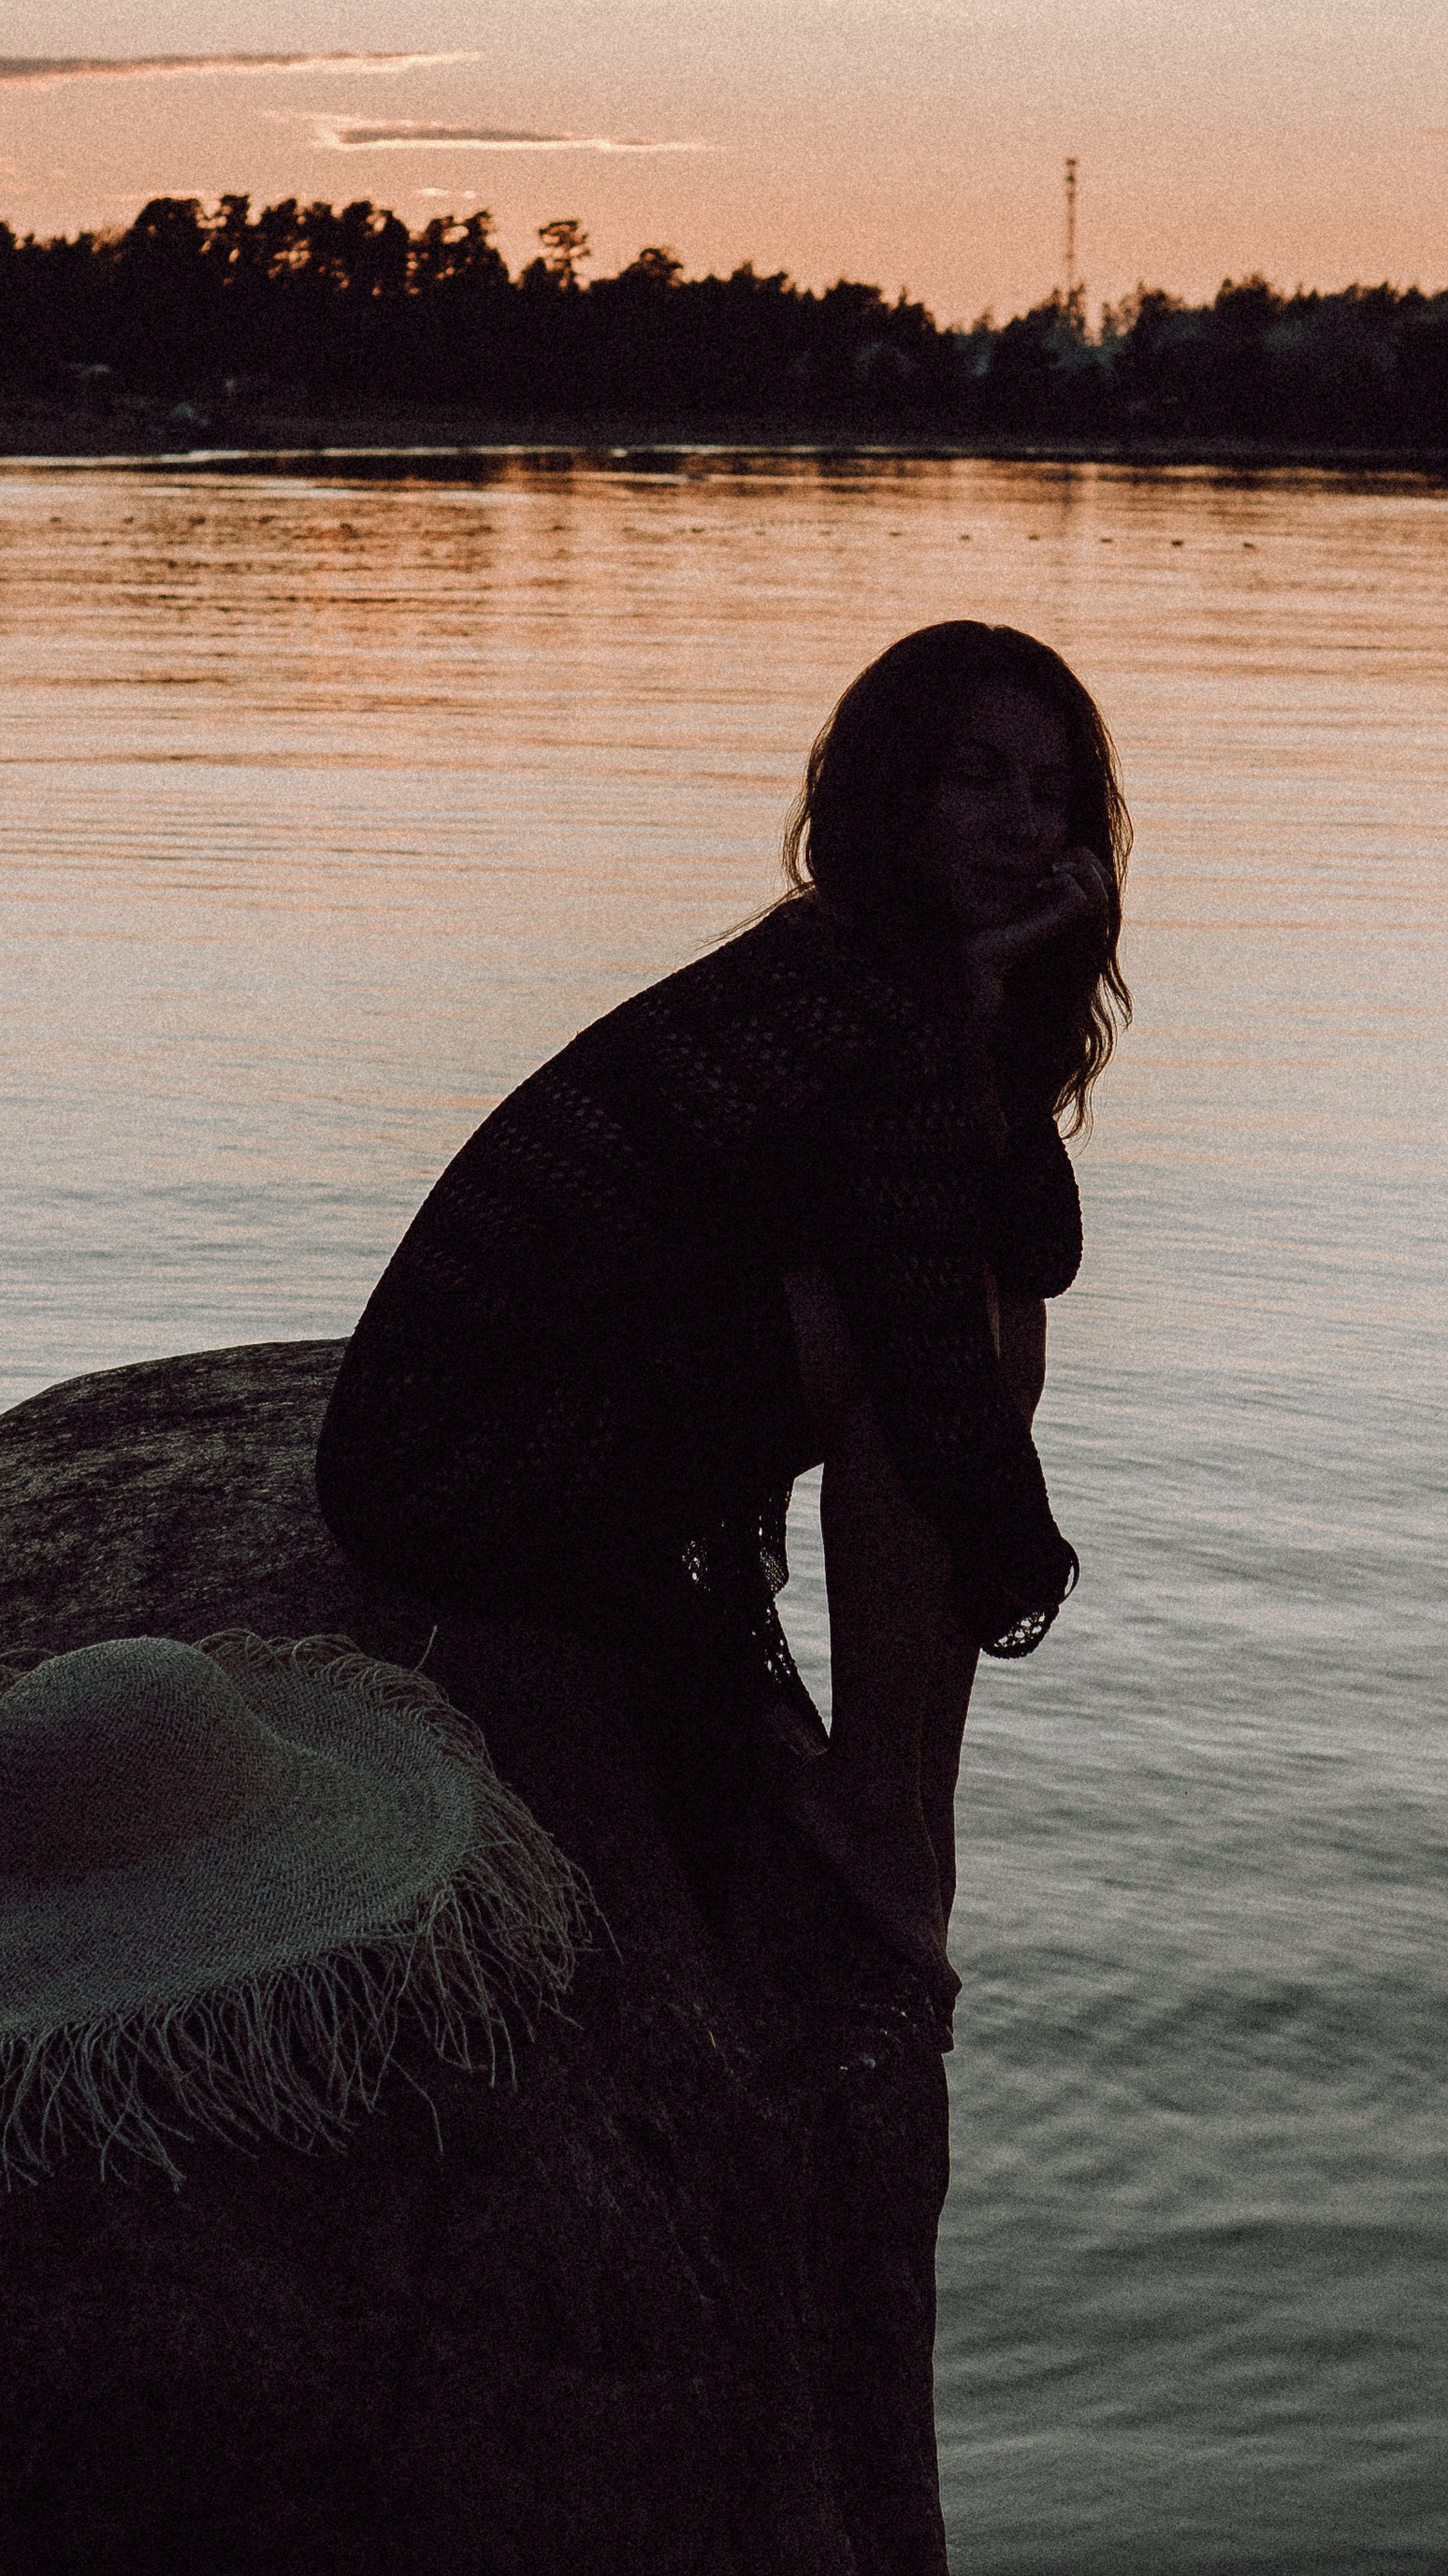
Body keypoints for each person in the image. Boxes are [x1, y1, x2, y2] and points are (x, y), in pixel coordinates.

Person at [315, 618, 1131, 1990]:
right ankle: (883, 1815)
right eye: (976, 776)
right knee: (916, 1355)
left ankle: (902, 1815)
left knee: (986, 1312)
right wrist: (1018, 1557)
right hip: (455, 1457)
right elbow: (932, 1363)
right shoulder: (851, 999)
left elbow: (1037, 1253)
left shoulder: (913, 982)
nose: (1017, 822)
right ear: (896, 790)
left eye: (1049, 793)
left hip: (583, 1388)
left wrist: (1001, 998)